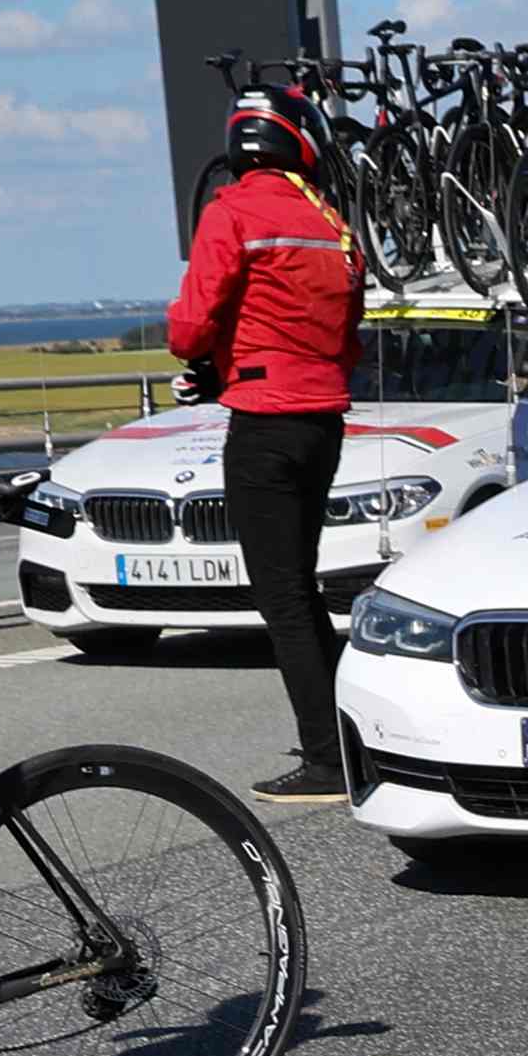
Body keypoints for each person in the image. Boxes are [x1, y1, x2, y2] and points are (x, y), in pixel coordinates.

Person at [163, 89, 364, 808]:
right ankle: (345, 739)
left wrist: (213, 357)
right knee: (302, 591)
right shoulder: (328, 220)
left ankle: (327, 758)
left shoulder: (232, 211)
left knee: (282, 598)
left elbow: (190, 328)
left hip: (263, 421)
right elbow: (347, 330)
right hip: (322, 420)